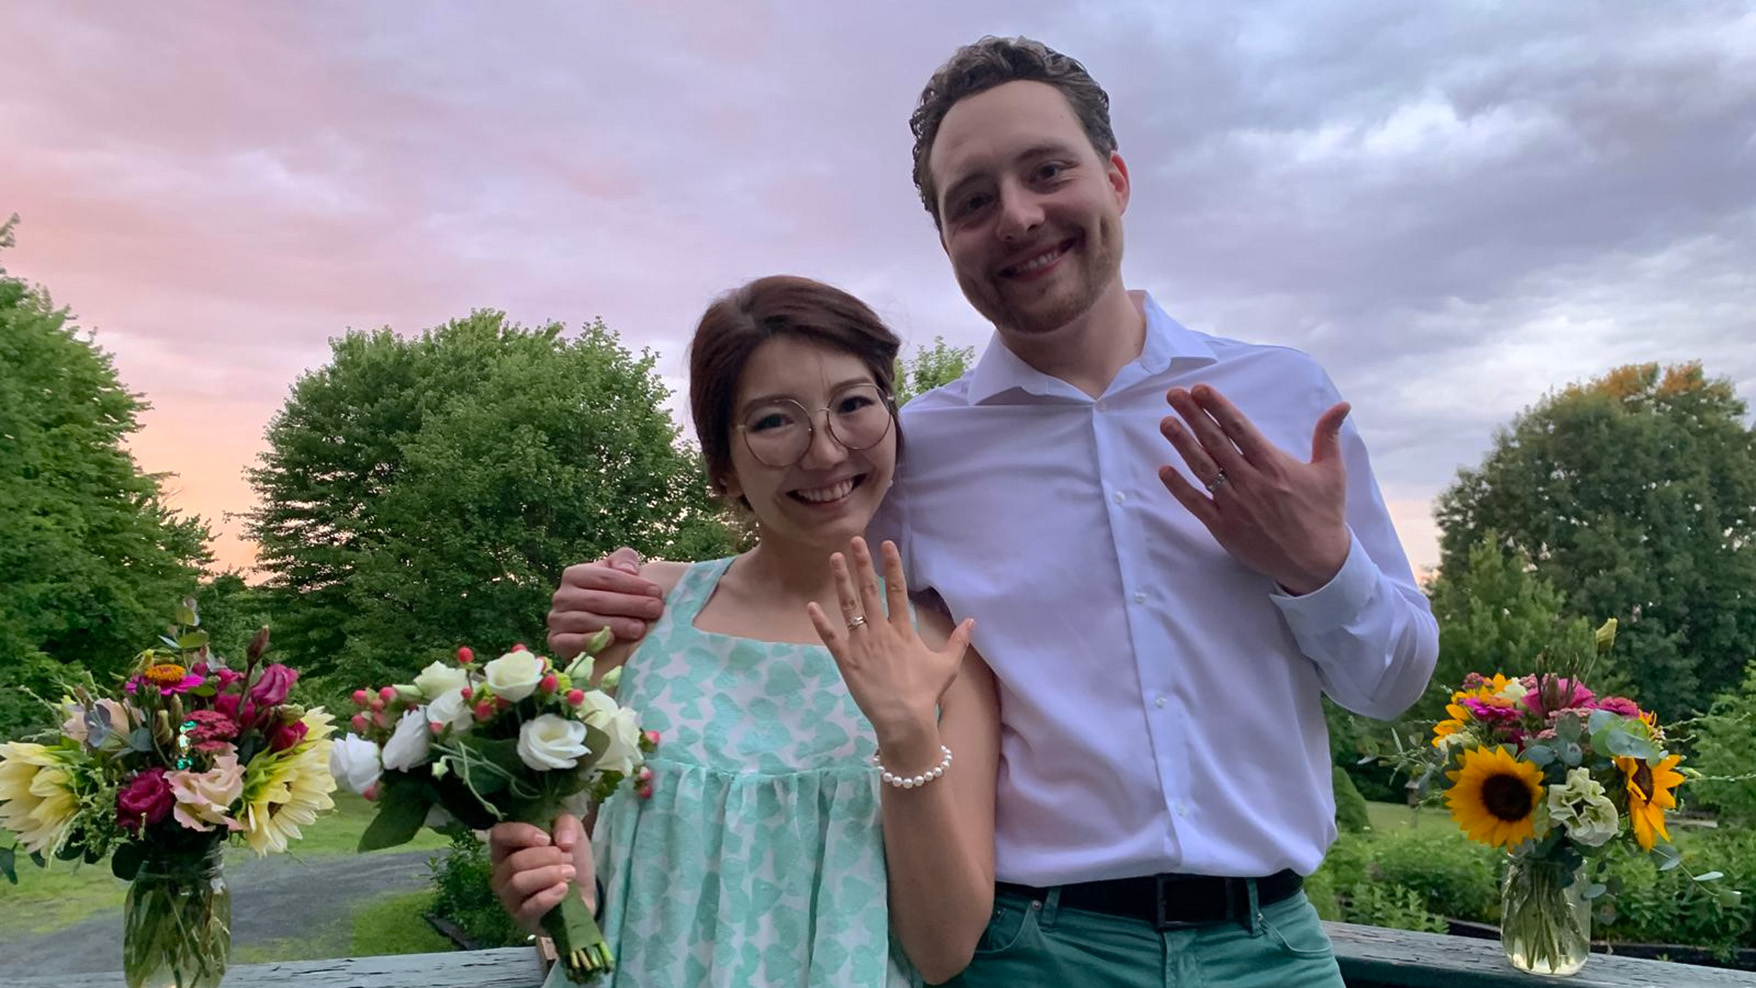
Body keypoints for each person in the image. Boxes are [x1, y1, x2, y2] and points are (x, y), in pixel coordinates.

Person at [550, 37, 1439, 988]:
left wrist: (1319, 566)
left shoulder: (1280, 398)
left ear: (1116, 177)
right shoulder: (916, 453)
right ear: (945, 238)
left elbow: (1389, 687)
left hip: (1270, 948)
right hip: (1030, 953)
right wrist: (643, 590)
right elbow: (800, 570)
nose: (1018, 216)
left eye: (1047, 171)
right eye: (973, 199)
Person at [490, 275, 1001, 988]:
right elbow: (573, 872)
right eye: (773, 421)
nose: (824, 452)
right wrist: (550, 896)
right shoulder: (639, 617)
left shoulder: (949, 655)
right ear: (722, 467)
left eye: (853, 404)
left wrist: (907, 730)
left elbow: (944, 950)